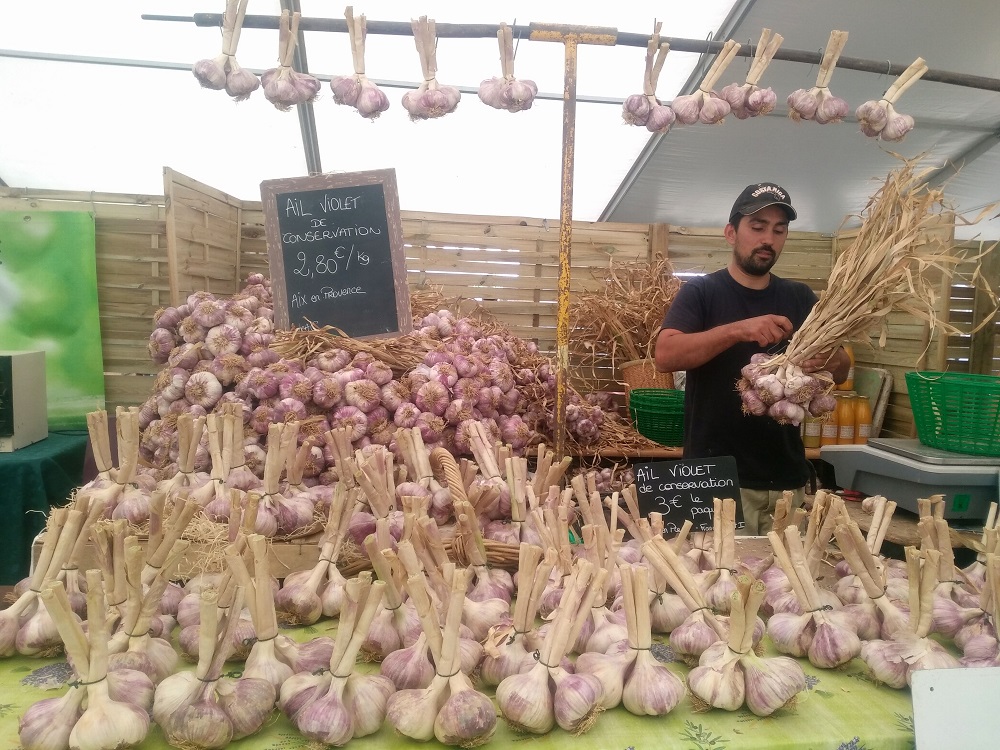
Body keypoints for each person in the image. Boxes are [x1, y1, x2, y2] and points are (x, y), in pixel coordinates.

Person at [654, 182, 850, 535]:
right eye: (757, 227)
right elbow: (665, 355)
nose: (768, 239)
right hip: (711, 478)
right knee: (706, 585)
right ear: (731, 233)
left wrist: (832, 359)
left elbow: (844, 366)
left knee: (785, 587)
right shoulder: (702, 292)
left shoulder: (800, 297)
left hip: (786, 480)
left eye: (779, 230)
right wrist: (738, 330)